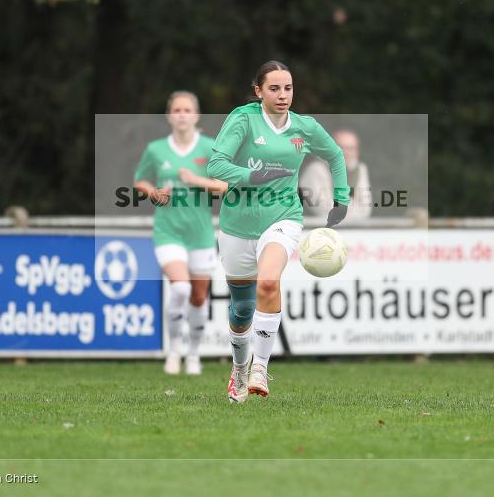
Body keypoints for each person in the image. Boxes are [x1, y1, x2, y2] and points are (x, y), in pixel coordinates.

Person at [207, 60, 351, 403]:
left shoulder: (305, 127)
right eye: (274, 88)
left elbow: (335, 155)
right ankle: (239, 369)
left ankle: (260, 366)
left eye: (288, 88)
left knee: (269, 282)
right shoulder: (243, 119)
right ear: (259, 91)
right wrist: (250, 176)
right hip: (237, 225)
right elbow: (216, 165)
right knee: (241, 309)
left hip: (283, 218)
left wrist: (341, 198)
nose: (283, 95)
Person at [134, 91, 227, 375]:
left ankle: (194, 353)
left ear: (196, 116)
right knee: (180, 287)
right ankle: (174, 350)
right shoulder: (156, 149)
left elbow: (224, 186)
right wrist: (154, 193)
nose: (182, 114)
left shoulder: (210, 148)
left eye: (187, 110)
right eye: (177, 110)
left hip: (199, 233)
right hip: (168, 230)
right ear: (169, 115)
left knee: (199, 297)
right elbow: (140, 181)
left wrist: (196, 180)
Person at [299, 128, 372, 220]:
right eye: (341, 147)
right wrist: (353, 203)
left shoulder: (360, 169)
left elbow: (365, 209)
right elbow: (322, 210)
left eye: (351, 148)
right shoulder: (316, 169)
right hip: (317, 230)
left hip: (353, 230)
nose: (346, 152)